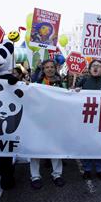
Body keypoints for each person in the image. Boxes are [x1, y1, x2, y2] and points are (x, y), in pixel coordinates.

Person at [75, 59, 101, 181]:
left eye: (98, 66)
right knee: (86, 144)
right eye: (93, 66)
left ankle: (99, 169)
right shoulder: (83, 81)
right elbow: (72, 98)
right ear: (90, 69)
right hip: (86, 119)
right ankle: (86, 169)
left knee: (100, 145)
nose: (95, 68)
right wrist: (75, 91)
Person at [30, 60, 65, 189]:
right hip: (38, 120)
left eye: (52, 67)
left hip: (55, 120)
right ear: (43, 69)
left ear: (55, 69)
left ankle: (57, 174)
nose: (49, 69)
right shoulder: (36, 83)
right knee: (35, 148)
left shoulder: (62, 83)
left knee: (55, 148)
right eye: (47, 67)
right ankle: (35, 176)